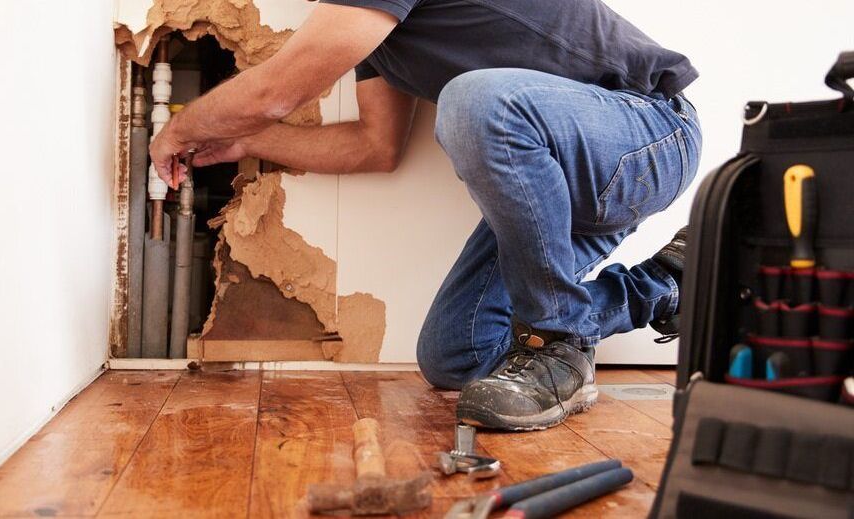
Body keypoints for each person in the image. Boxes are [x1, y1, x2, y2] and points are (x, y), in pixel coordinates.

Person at [150, 0, 701, 431]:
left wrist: (183, 128)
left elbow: (278, 90)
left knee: (476, 102)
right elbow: (375, 145)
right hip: (553, 182)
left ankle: (558, 346)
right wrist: (241, 141)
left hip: (646, 134)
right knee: (457, 355)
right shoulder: (374, 30)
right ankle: (665, 285)